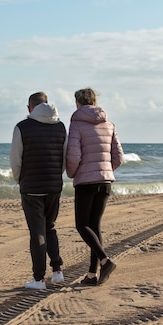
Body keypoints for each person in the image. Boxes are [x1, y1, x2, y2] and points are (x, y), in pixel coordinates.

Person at [66, 87, 124, 286]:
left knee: (82, 225)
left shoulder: (76, 123)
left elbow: (74, 155)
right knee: (94, 226)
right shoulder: (109, 124)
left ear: (78, 103)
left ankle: (105, 261)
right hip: (105, 181)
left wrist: (72, 173)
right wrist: (106, 171)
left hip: (86, 182)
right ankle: (92, 274)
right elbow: (118, 157)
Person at [10, 91, 67, 290]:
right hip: (54, 186)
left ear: (30, 108)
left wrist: (21, 180)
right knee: (50, 227)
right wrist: (54, 176)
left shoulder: (22, 127)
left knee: (37, 233)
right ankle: (57, 271)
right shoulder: (60, 127)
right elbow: (63, 158)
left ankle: (39, 279)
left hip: (31, 188)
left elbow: (16, 159)